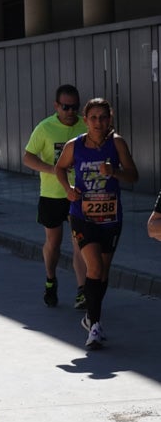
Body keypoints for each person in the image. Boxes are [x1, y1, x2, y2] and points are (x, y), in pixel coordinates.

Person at [55, 98, 138, 350]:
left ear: (109, 119)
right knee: (94, 267)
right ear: (85, 119)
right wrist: (68, 189)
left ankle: (91, 316)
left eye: (103, 117)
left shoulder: (117, 143)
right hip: (82, 215)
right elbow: (59, 168)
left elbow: (133, 175)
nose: (98, 122)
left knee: (103, 272)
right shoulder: (75, 145)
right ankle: (95, 326)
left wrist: (114, 172)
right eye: (94, 117)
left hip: (111, 216)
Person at [23, 85, 87, 309]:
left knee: (80, 242)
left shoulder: (85, 125)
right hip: (52, 194)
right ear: (56, 106)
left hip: (78, 195)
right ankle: (51, 280)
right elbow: (28, 158)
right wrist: (52, 170)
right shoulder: (45, 128)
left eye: (75, 107)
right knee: (54, 243)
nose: (71, 112)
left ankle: (82, 291)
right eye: (66, 107)